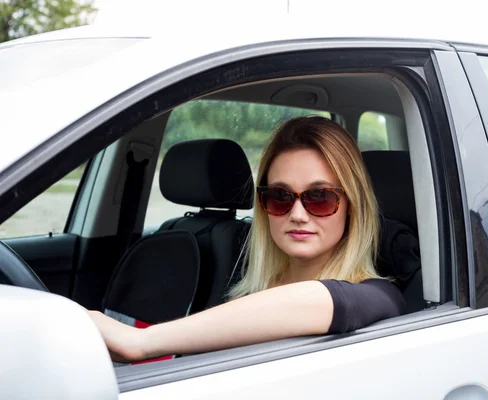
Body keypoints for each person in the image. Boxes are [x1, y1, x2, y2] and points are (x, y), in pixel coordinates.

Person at [89, 116, 407, 363]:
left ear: (352, 205)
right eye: (280, 196)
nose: (297, 214)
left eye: (320, 197)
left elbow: (332, 301)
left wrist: (140, 342)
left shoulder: (380, 296)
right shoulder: (244, 283)